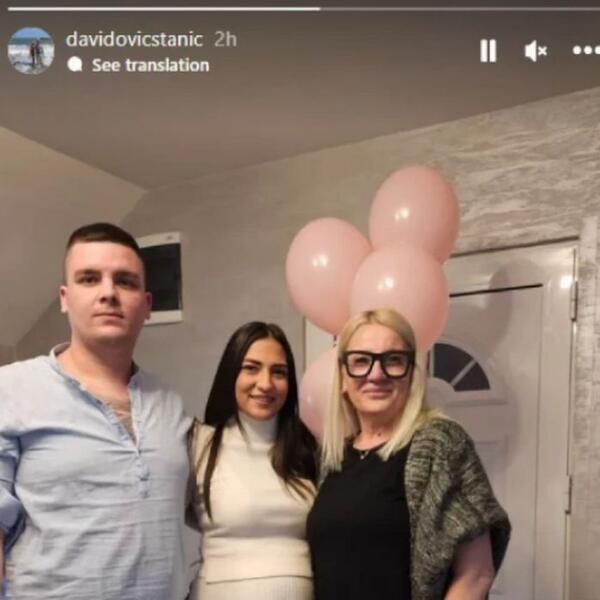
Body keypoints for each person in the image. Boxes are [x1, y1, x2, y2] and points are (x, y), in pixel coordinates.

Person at [0, 223, 192, 599]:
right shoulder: (9, 389)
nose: (108, 293)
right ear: (65, 297)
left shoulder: (169, 403)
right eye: (89, 279)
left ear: (147, 305)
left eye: (125, 281)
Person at [307, 308, 511, 600]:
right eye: (361, 360)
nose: (376, 374)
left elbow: (477, 574)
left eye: (393, 360)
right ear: (342, 377)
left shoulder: (441, 445)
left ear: (412, 374)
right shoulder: (331, 458)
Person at [188, 322, 318, 600]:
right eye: (251, 368)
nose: (265, 383)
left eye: (279, 372)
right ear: (231, 373)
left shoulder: (308, 449)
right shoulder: (198, 445)